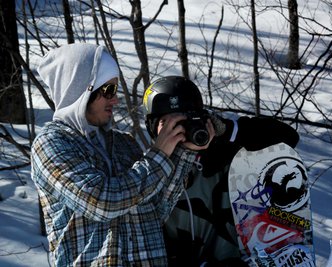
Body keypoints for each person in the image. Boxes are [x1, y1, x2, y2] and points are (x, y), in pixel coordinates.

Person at [31, 43, 215, 266]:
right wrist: (158, 154)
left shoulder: (124, 143)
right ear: (80, 88)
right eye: (107, 90)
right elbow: (102, 202)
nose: (115, 100)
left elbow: (155, 211)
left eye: (115, 90)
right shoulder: (52, 143)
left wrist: (183, 151)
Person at [142, 77, 300, 266]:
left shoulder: (224, 155)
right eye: (169, 123)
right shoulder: (146, 174)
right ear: (153, 128)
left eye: (186, 119)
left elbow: (287, 140)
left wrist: (228, 130)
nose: (179, 130)